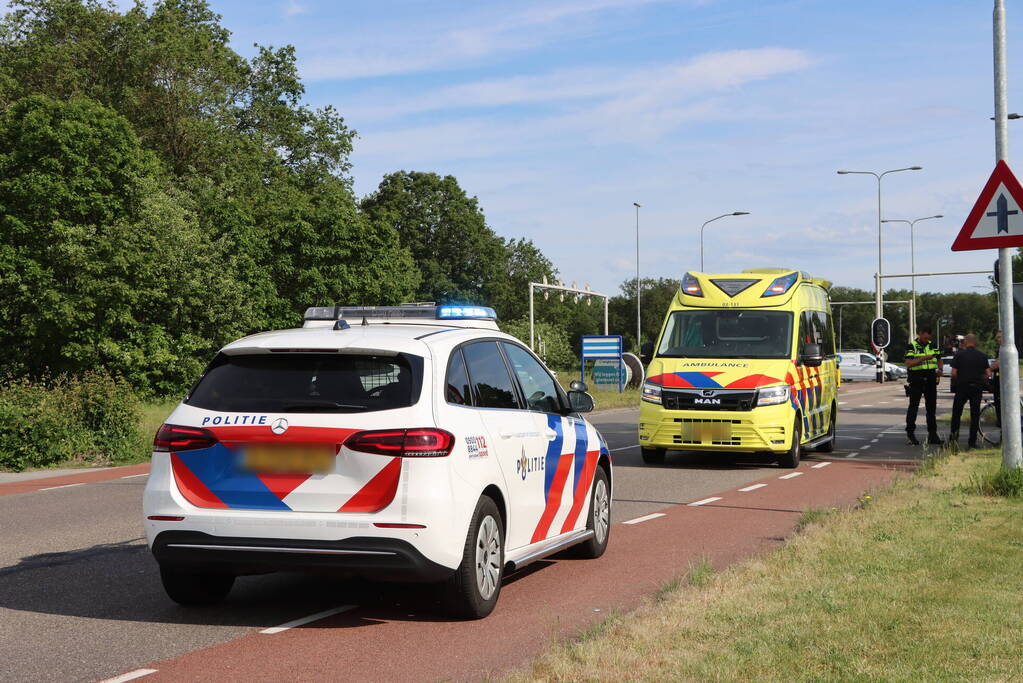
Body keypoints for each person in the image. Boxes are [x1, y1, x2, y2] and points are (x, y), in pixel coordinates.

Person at [949, 333, 992, 449]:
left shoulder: (959, 355)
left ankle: (953, 440)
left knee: (956, 414)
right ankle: (972, 442)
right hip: (976, 388)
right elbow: (988, 373)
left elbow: (953, 373)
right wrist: (980, 378)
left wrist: (958, 380)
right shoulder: (982, 356)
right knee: (975, 415)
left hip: (962, 387)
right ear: (975, 342)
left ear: (965, 342)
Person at [904, 326, 943, 445]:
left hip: (931, 379)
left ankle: (933, 435)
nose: (927, 339)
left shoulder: (933, 345)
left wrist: (940, 369)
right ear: (919, 334)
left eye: (928, 337)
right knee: (913, 408)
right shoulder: (912, 346)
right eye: (925, 337)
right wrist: (923, 358)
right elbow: (909, 364)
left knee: (931, 409)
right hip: (916, 379)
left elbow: (939, 358)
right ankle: (910, 434)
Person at [991, 330, 1002, 427]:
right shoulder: (1000, 349)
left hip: (1001, 384)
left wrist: (988, 368)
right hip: (998, 382)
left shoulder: (1004, 349)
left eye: (999, 337)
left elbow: (997, 364)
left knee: (1000, 406)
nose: (996, 339)